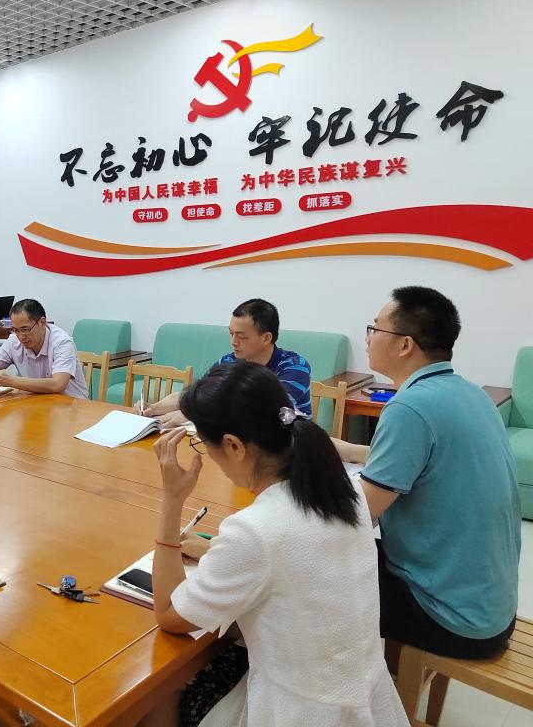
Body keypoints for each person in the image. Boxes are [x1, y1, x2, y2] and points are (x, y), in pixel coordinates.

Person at [151, 361, 408, 727]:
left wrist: (172, 500)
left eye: (203, 444)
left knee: (156, 696)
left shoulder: (254, 530)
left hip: (300, 713)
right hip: (364, 701)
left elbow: (169, 615)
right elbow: (294, 563)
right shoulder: (345, 492)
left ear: (234, 446)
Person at [333, 286, 520, 659]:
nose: (368, 338)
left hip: (448, 616)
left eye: (375, 328)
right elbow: (428, 461)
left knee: (308, 570)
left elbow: (357, 517)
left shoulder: (409, 407)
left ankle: (336, 684)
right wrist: (350, 451)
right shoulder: (471, 394)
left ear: (405, 345)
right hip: (492, 608)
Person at [142, 299, 311, 427]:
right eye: (231, 334)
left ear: (266, 338)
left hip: (286, 448)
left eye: (241, 336)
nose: (233, 342)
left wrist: (194, 414)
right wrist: (153, 409)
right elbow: (198, 394)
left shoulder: (294, 366)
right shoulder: (228, 361)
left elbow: (267, 411)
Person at [0, 298, 88, 398]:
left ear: (42, 322)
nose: (21, 336)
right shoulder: (14, 340)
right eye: (15, 330)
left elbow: (58, 384)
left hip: (72, 405)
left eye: (25, 329)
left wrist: (11, 381)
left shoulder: (62, 342)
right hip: (36, 403)